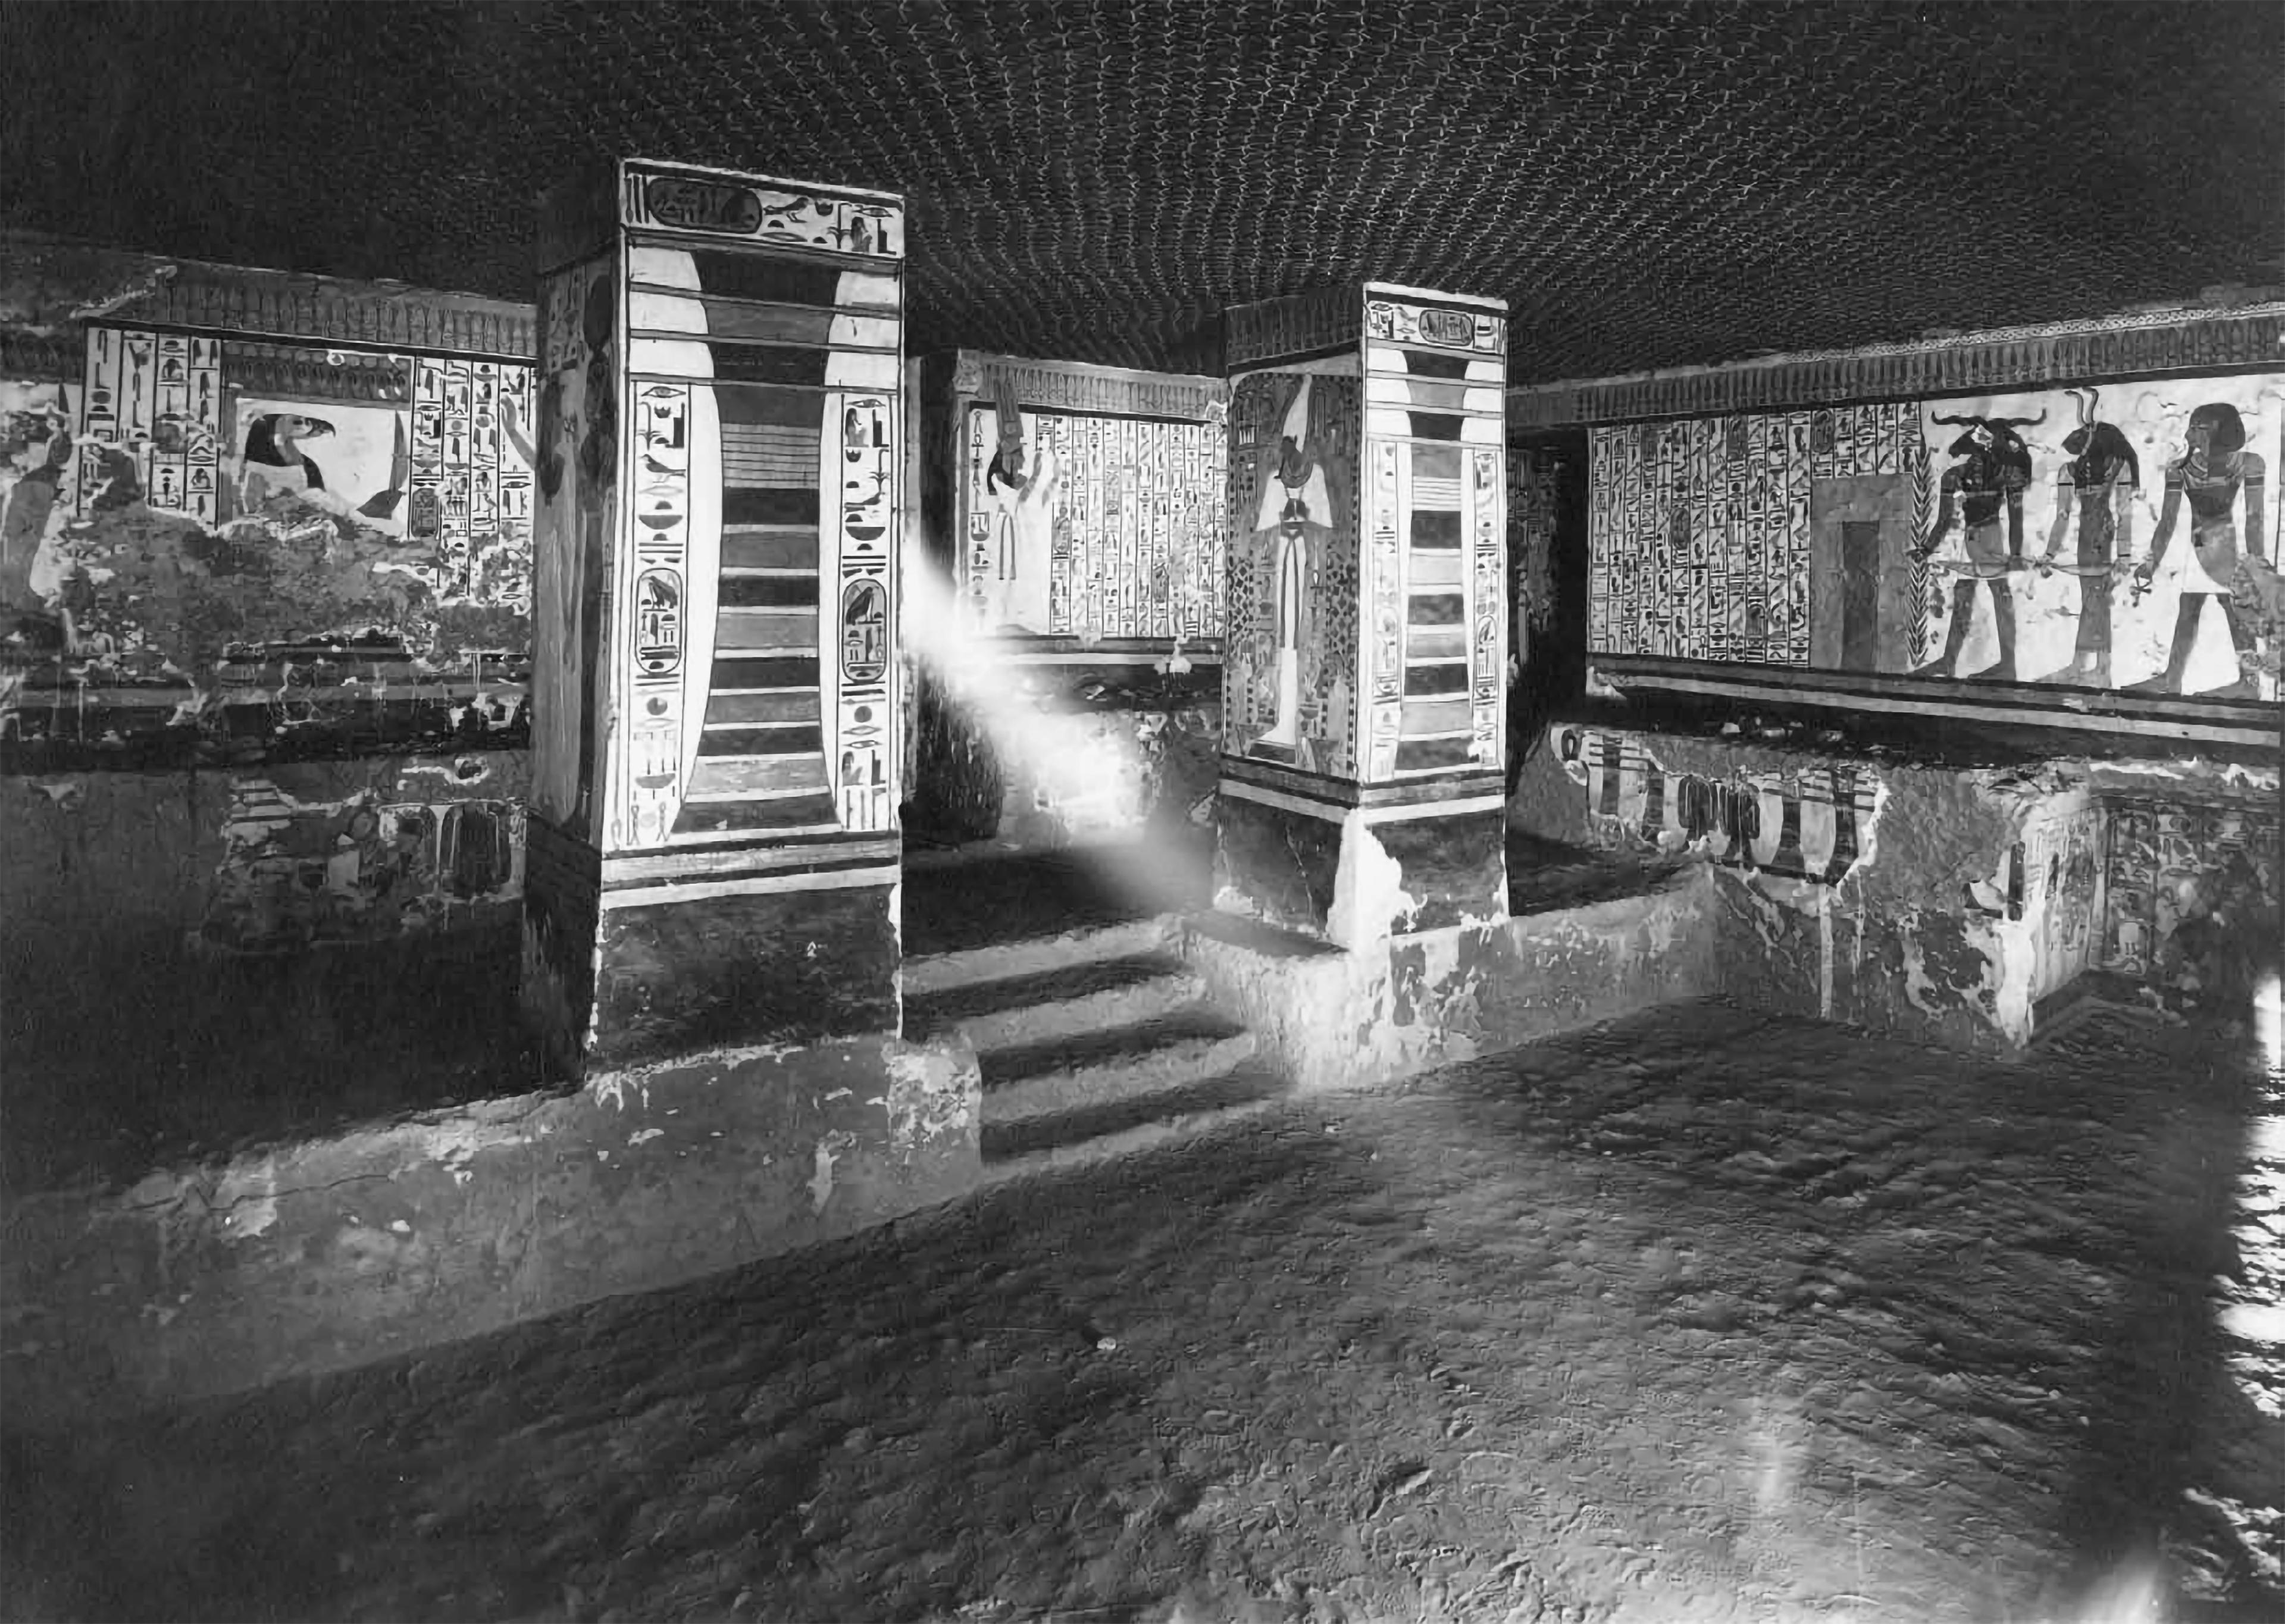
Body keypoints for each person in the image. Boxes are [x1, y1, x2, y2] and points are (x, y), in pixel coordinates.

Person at [2130, 401, 2268, 697]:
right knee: (2189, 609)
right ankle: (2173, 679)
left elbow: (2255, 519)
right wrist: (2151, 563)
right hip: (2199, 548)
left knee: (2235, 611)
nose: (2189, 433)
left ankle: (2249, 683)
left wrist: (2258, 565)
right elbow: (2167, 522)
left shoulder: (2248, 463)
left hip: (2227, 550)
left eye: (2197, 427)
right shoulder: (2180, 470)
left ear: (2216, 431)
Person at [2033, 389, 2139, 686]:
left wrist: (2125, 556)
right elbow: (2063, 516)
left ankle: (2092, 667)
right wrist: (2049, 554)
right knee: (2092, 600)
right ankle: (2090, 667)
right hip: (2087, 538)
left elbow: (2124, 513)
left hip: (2102, 536)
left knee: (2097, 601)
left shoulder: (2118, 467)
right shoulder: (2070, 470)